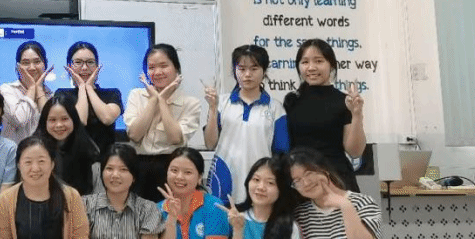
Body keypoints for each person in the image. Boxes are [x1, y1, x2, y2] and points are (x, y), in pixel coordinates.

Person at [204, 45, 289, 206]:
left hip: (260, 182)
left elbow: (281, 153)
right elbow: (210, 143)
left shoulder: (275, 108)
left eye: (254, 68)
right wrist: (213, 109)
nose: (247, 74)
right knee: (221, 220)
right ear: (234, 71)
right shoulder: (221, 103)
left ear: (264, 71)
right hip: (223, 178)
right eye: (241, 69)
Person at [284, 40, 366, 191]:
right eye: (305, 62)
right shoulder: (291, 101)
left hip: (336, 180)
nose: (311, 67)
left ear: (331, 65)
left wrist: (357, 115)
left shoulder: (344, 101)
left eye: (319, 61)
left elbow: (355, 152)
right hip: (301, 183)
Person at [124, 44, 202, 201]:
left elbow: (175, 138)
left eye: (164, 66)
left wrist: (163, 100)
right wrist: (154, 99)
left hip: (173, 170)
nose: (157, 72)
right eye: (151, 67)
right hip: (139, 168)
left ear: (176, 68)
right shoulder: (136, 95)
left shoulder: (191, 103)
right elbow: (135, 135)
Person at [58, 41, 123, 155]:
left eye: (90, 62)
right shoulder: (62, 94)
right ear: (69, 66)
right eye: (78, 62)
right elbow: (80, 121)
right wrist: (82, 87)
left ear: (97, 66)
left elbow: (107, 118)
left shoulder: (112, 94)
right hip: (71, 160)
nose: (84, 67)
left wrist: (88, 87)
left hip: (106, 161)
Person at [35, 95, 100, 195]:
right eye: (52, 120)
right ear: (44, 122)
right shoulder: (34, 150)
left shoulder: (89, 150)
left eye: (64, 119)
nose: (59, 125)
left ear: (74, 119)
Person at [0, 40, 51, 142]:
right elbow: (19, 120)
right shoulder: (7, 90)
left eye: (37, 62)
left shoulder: (52, 95)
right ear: (18, 67)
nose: (32, 68)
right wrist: (31, 89)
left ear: (45, 64)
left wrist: (39, 90)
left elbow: (51, 127)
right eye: (26, 63)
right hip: (14, 152)